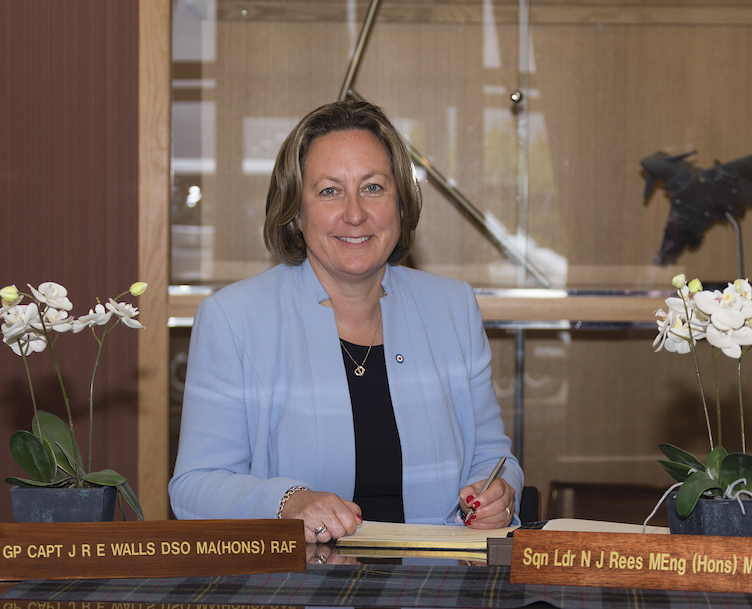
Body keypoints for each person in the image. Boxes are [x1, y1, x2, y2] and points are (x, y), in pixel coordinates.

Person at [168, 98, 524, 544]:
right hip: (300, 596)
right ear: (295, 212)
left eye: (373, 187)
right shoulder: (233, 319)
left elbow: (494, 458)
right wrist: (286, 503)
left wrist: (499, 495)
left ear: (401, 202)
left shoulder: (453, 307)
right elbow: (194, 489)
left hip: (438, 589)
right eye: (329, 190)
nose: (355, 213)